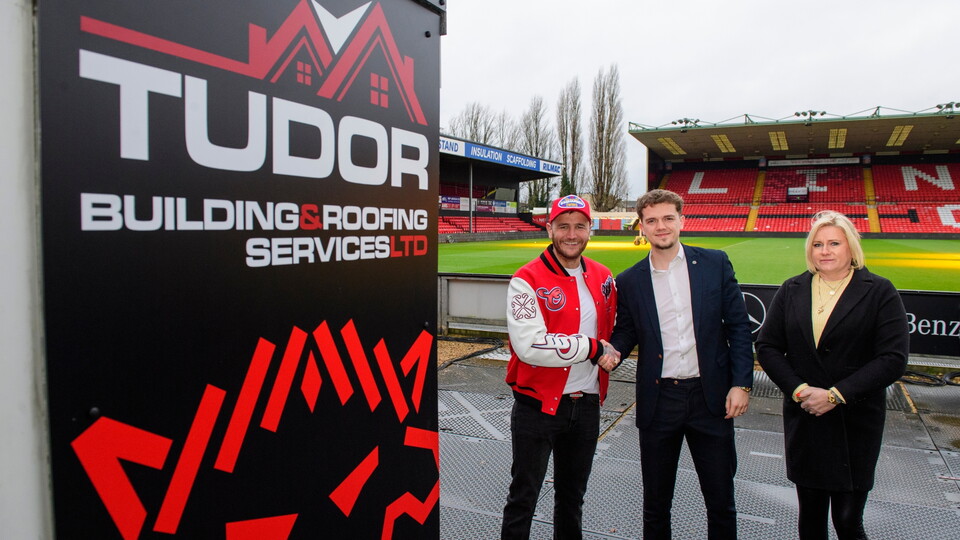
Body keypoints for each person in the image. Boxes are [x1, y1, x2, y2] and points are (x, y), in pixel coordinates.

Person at [608, 189, 753, 539]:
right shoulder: (629, 280)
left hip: (711, 399)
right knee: (656, 505)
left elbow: (738, 327)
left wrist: (741, 383)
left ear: (681, 220)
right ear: (641, 226)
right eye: (652, 220)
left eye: (668, 218)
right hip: (660, 402)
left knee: (721, 502)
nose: (661, 227)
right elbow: (627, 332)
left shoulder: (715, 263)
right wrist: (609, 353)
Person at [756, 210, 908, 540]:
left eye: (834, 243)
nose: (825, 251)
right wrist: (798, 390)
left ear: (851, 248)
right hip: (805, 417)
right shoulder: (791, 289)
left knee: (848, 521)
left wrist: (836, 395)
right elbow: (767, 346)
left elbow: (893, 358)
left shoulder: (879, 291)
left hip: (854, 422)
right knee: (810, 521)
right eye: (818, 244)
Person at [501, 194, 619, 540]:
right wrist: (592, 348)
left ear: (589, 230)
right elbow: (529, 345)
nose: (572, 234)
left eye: (579, 226)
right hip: (537, 406)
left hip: (586, 406)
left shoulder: (603, 276)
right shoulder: (526, 279)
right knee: (523, 498)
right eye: (563, 226)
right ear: (549, 227)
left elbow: (616, 331)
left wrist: (614, 352)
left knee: (572, 498)